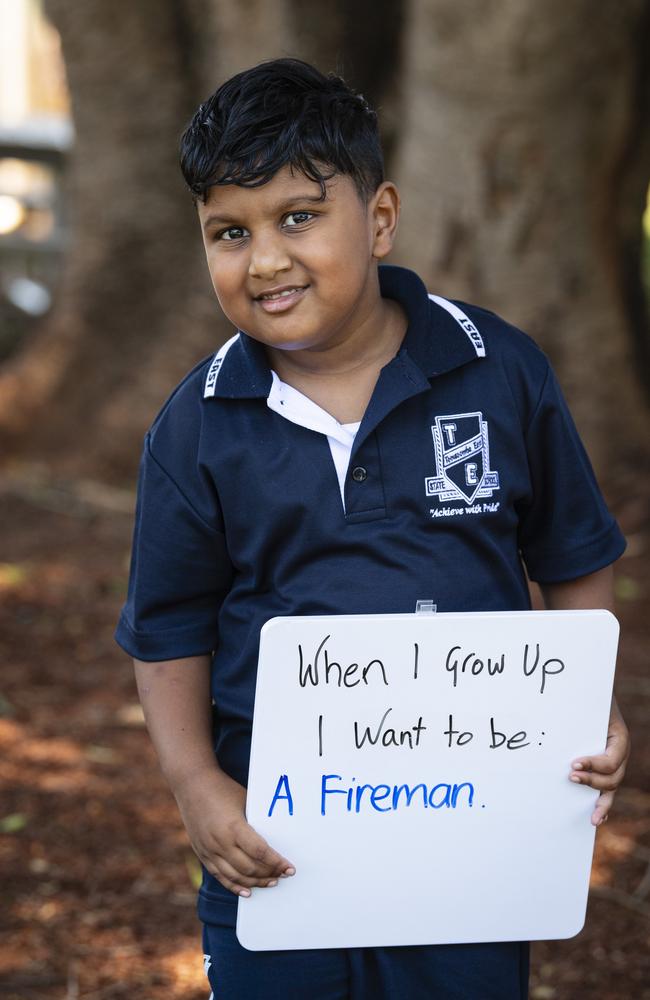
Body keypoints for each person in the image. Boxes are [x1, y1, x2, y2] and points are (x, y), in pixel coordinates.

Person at [115, 58, 630, 999]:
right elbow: (168, 623)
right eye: (230, 232)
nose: (264, 258)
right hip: (276, 847)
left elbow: (571, 553)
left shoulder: (499, 370)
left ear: (381, 218)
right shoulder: (198, 421)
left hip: (472, 843)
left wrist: (589, 705)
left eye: (298, 218)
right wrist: (198, 789)